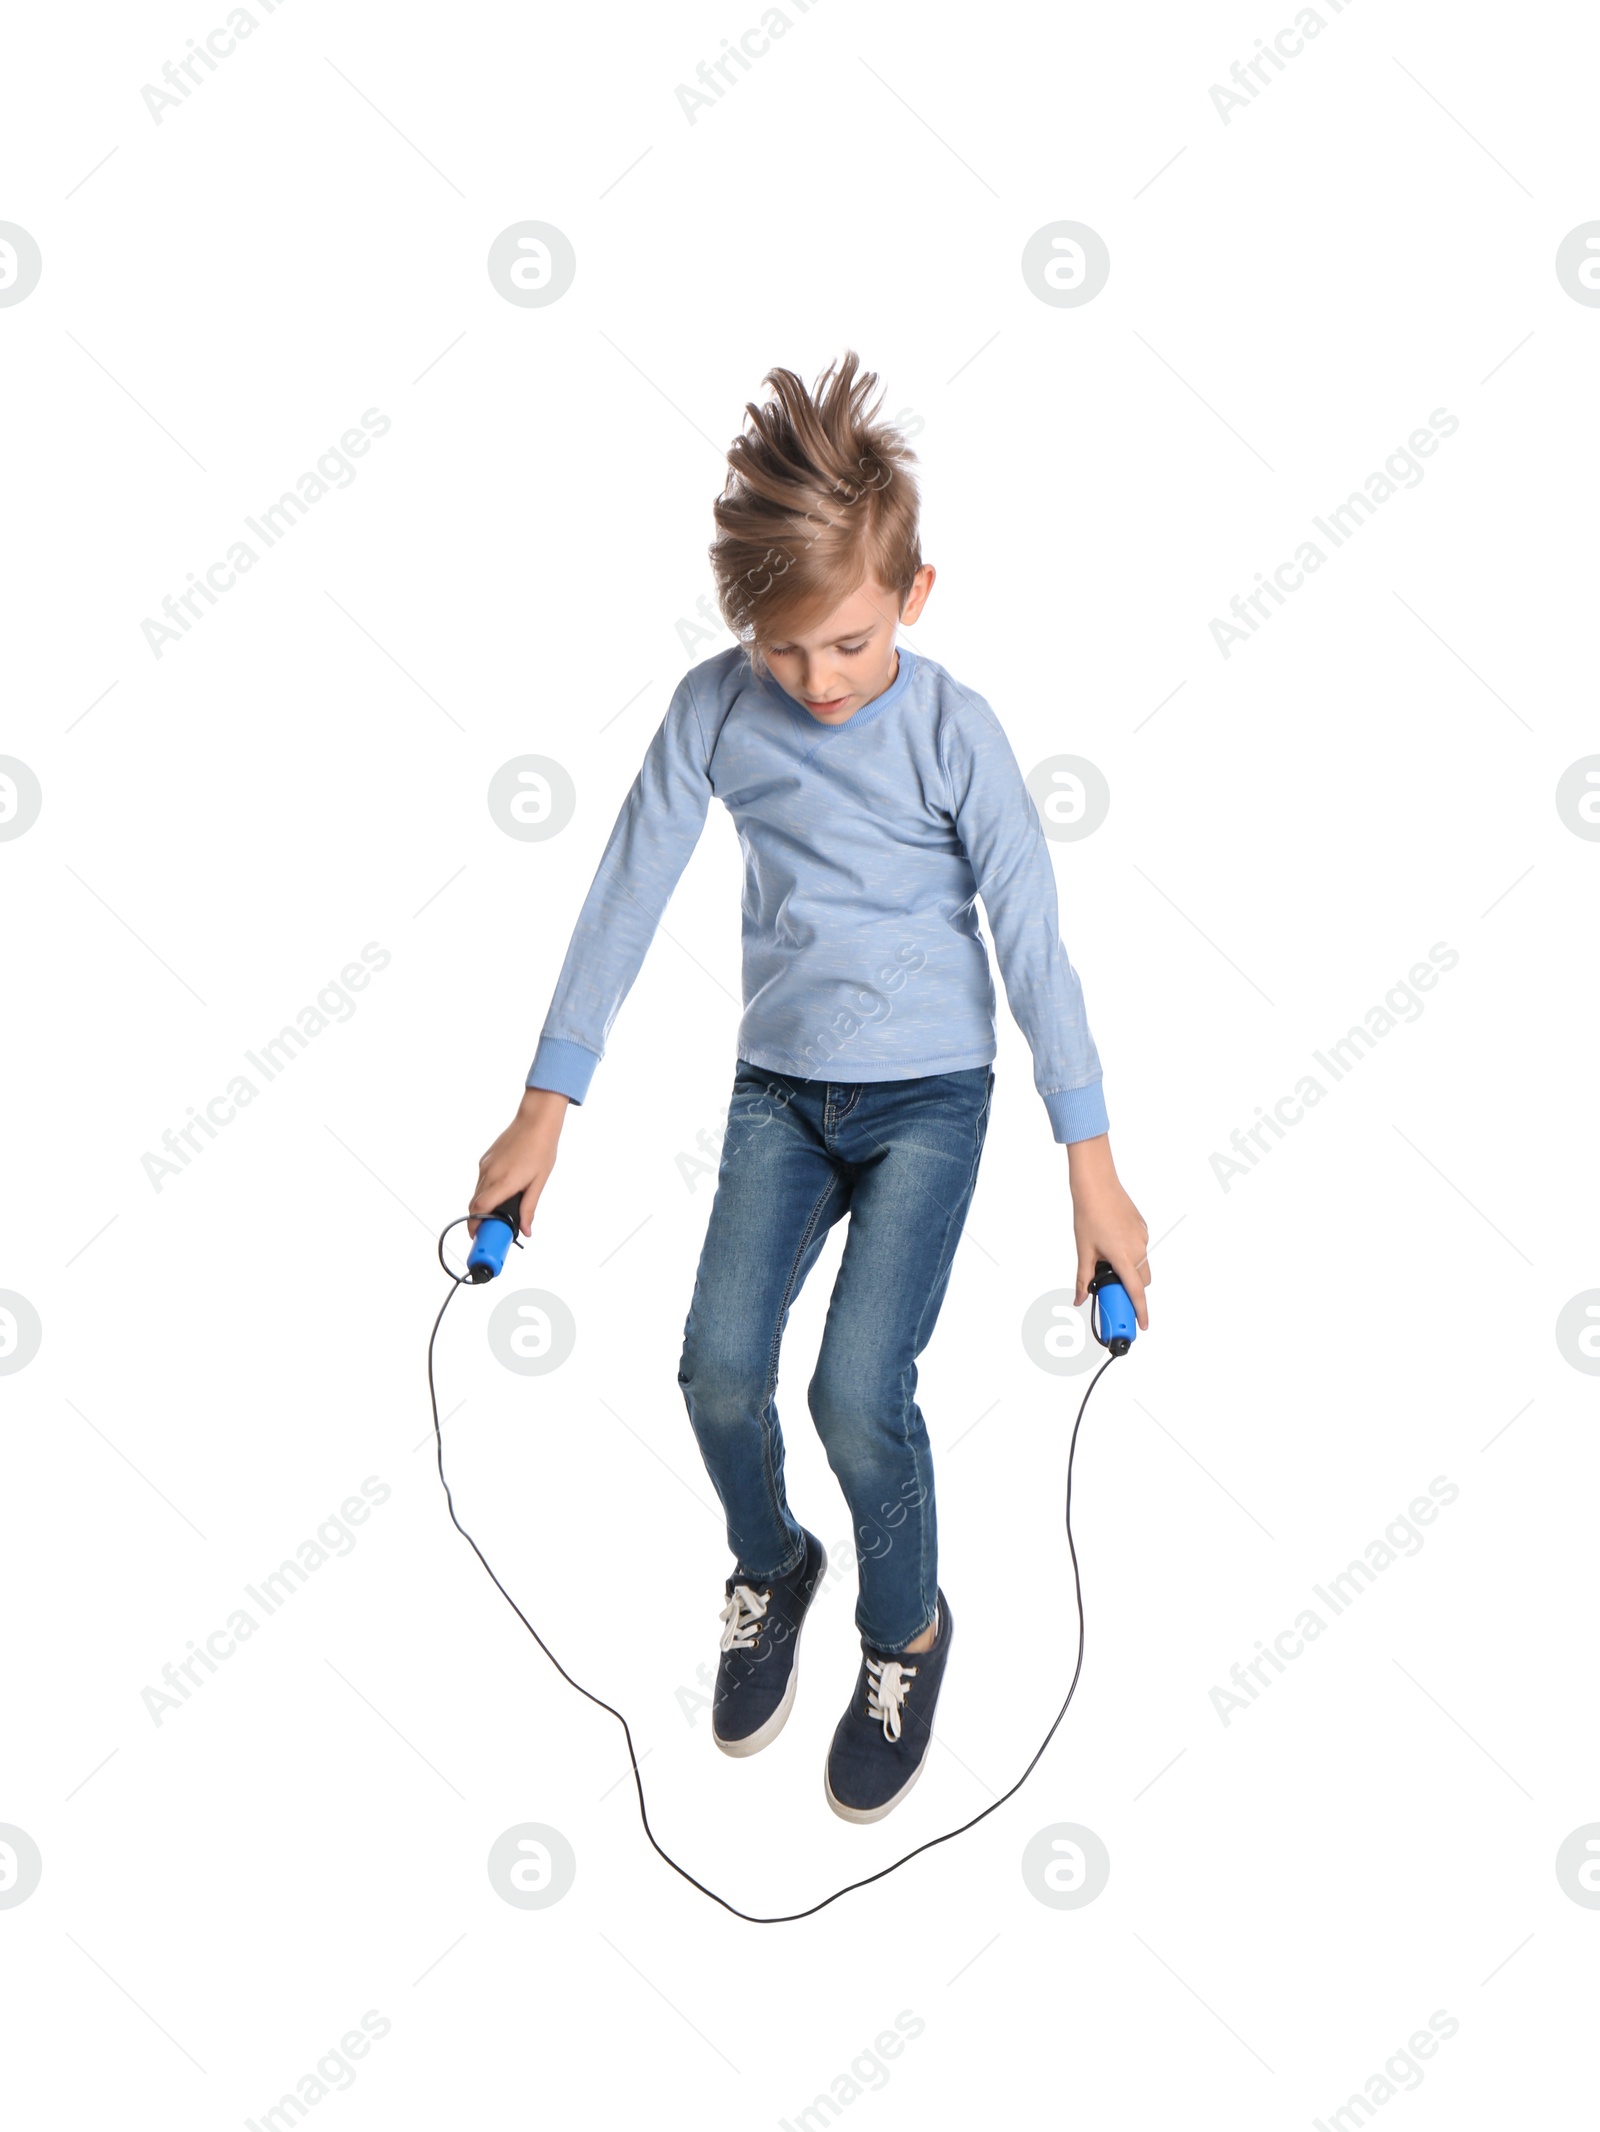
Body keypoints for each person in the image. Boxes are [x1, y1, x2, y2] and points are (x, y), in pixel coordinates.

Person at [469, 351, 1150, 1824]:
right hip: (780, 1095)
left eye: (845, 643)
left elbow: (1034, 944)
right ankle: (771, 1561)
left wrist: (1090, 1164)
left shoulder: (956, 731)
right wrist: (546, 1104)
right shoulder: (720, 711)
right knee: (717, 1365)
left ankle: (903, 1627)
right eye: (785, 653)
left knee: (856, 1390)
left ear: (913, 594)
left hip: (928, 1107)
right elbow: (625, 894)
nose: (818, 682)